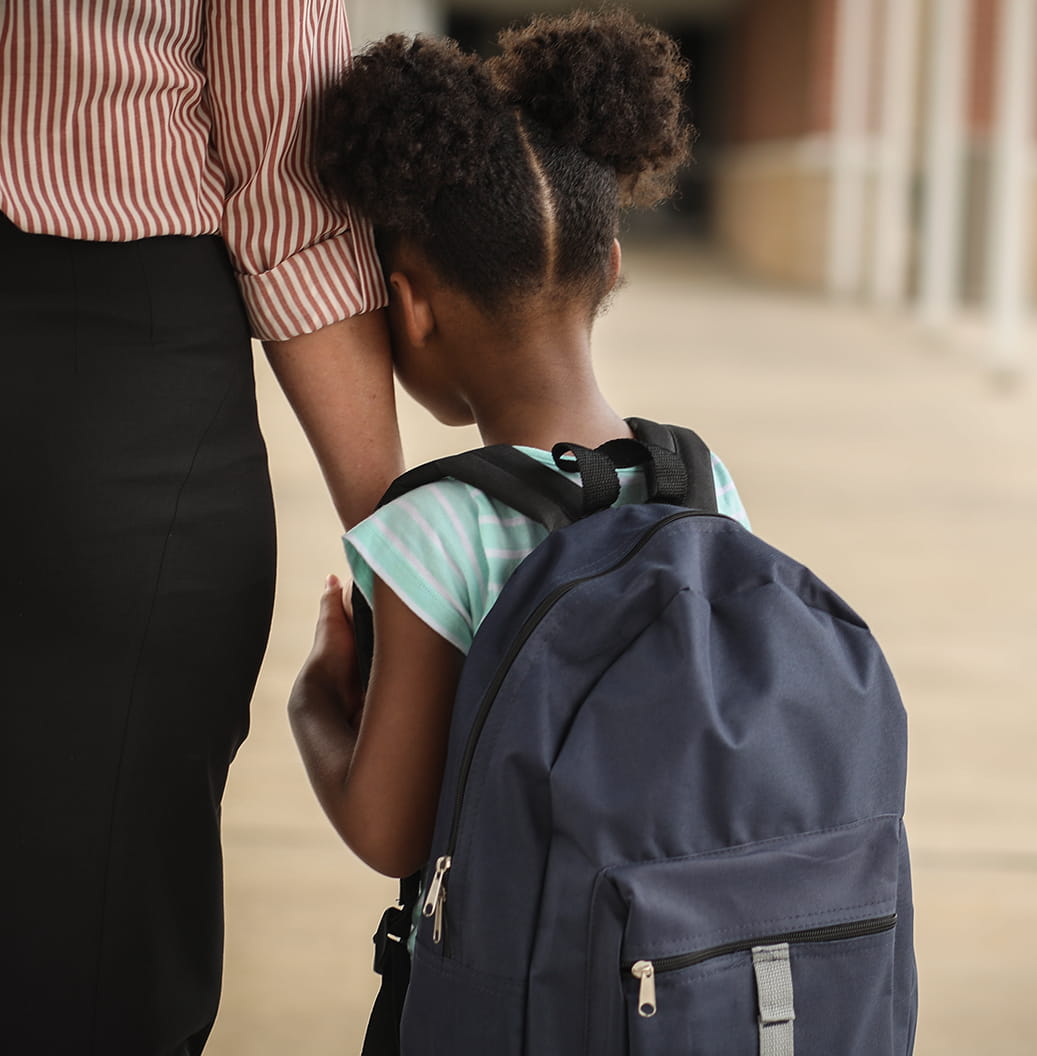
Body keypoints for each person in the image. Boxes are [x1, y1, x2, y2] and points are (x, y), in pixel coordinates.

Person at [0, 3, 401, 1054]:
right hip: (114, 371)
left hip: (109, 401)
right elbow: (289, 181)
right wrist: (404, 575)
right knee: (96, 943)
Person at [288, 10, 750, 890]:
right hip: (689, 973)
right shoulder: (703, 484)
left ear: (411, 306)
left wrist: (314, 693)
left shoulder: (432, 531)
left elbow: (390, 833)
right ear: (610, 264)